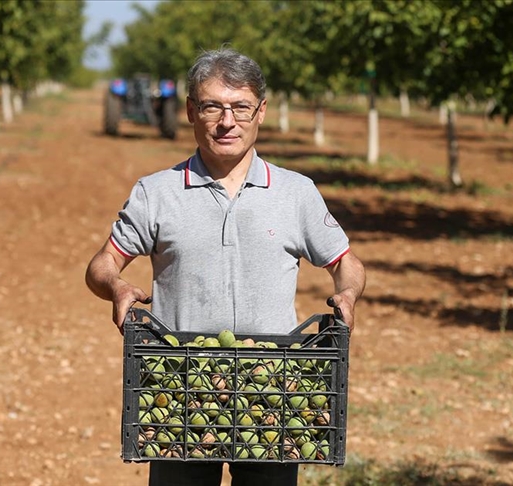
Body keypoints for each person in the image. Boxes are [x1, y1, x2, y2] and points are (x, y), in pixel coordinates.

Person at [85, 47, 366, 486]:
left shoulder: (296, 193)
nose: (226, 121)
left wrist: (347, 294)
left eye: (240, 107)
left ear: (261, 111)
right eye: (213, 106)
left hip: (271, 393)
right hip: (179, 393)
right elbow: (103, 263)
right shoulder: (157, 192)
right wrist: (117, 287)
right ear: (191, 111)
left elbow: (345, 263)